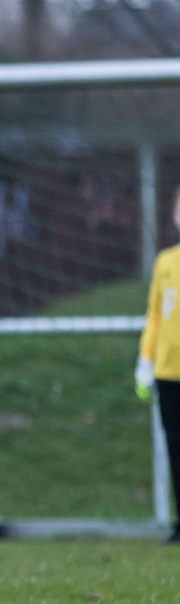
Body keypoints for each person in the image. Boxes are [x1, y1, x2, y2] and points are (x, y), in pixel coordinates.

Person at [134, 184, 180, 545]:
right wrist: (145, 360)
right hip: (168, 374)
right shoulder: (165, 262)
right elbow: (154, 315)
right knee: (175, 449)